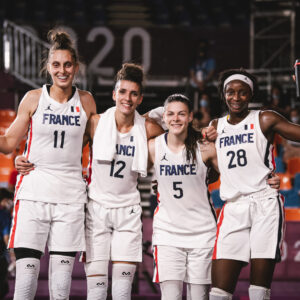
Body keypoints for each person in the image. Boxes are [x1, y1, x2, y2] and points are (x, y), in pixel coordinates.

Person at [0, 29, 96, 300]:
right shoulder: (33, 98)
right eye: (56, 65)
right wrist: (20, 155)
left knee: (61, 286)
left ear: (76, 67)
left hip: (70, 198)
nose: (62, 70)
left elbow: (100, 141)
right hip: (33, 194)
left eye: (67, 65)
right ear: (48, 67)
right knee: (26, 281)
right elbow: (8, 143)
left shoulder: (86, 101)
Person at [209, 68, 300, 300]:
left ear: (251, 95)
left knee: (259, 292)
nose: (236, 97)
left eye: (242, 92)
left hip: (264, 203)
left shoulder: (265, 118)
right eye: (230, 92)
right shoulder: (214, 127)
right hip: (233, 206)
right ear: (223, 94)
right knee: (219, 292)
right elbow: (208, 166)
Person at [83, 62, 164, 300]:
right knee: (96, 291)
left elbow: (179, 142)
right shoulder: (95, 123)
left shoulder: (148, 127)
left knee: (121, 291)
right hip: (96, 209)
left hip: (128, 212)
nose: (127, 98)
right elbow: (66, 151)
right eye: (123, 92)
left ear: (140, 99)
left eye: (134, 93)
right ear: (114, 94)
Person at [148, 94, 218, 300]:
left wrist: (267, 179)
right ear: (164, 117)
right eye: (170, 114)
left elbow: (235, 175)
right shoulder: (153, 146)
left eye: (181, 114)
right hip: (167, 234)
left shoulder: (205, 147)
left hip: (203, 234)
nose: (176, 119)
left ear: (190, 118)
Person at [0, 188, 12, 300]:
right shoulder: (4, 214)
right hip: (1, 256)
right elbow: (6, 236)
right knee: (3, 288)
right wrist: (12, 256)